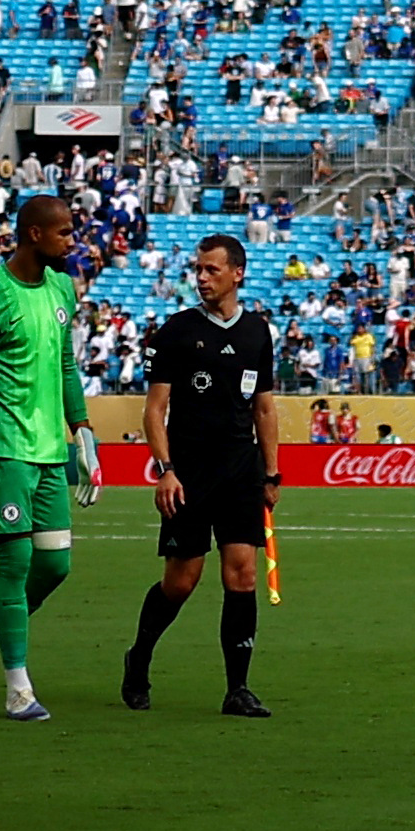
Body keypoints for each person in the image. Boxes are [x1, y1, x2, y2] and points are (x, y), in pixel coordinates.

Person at [0, 193, 91, 725]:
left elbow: (66, 366)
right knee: (17, 562)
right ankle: (19, 688)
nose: (72, 241)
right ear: (34, 234)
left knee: (55, 565)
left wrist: (84, 435)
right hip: (1, 446)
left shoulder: (62, 289)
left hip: (51, 449)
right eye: (65, 232)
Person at [125, 229, 281, 718]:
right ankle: (139, 658)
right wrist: (166, 470)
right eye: (198, 270)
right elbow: (155, 410)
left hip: (241, 470)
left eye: (212, 269)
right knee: (182, 581)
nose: (202, 278)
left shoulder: (258, 330)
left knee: (243, 574)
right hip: (189, 474)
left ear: (238, 273)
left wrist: (271, 473)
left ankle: (238, 689)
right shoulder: (175, 330)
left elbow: (265, 407)